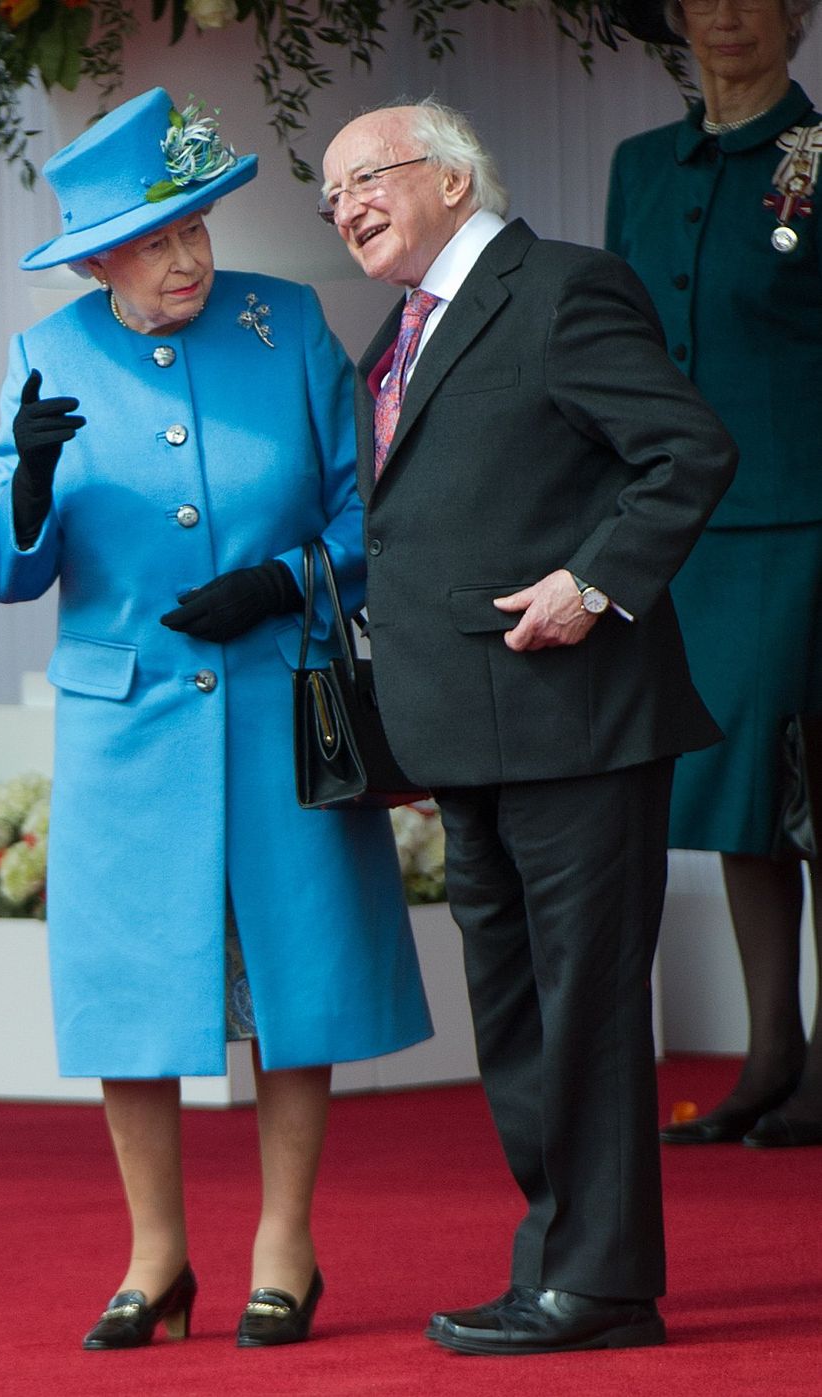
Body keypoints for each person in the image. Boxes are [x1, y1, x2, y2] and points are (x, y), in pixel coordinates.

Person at [0, 87, 432, 1352]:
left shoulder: (286, 325)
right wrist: (30, 480)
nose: (186, 258)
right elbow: (4, 569)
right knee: (130, 992)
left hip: (281, 702)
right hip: (126, 731)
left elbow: (368, 516)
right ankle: (155, 1255)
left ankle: (284, 1244)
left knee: (298, 972)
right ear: (95, 260)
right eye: (153, 241)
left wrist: (282, 582)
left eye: (195, 227)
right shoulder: (46, 356)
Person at [320, 99, 737, 1356]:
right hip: (464, 732)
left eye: (366, 177)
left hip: (576, 722)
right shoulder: (392, 337)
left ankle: (599, 1284)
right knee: (512, 1017)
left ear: (451, 177)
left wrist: (592, 582)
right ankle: (560, 1263)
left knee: (584, 1010)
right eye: (329, 196)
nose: (345, 207)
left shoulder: (559, 288)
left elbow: (685, 451)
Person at [608, 0, 822, 1148]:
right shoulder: (640, 166)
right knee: (741, 791)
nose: (725, 14)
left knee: (810, 783)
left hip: (806, 520)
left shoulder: (817, 155)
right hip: (686, 529)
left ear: (793, 16)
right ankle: (769, 1050)